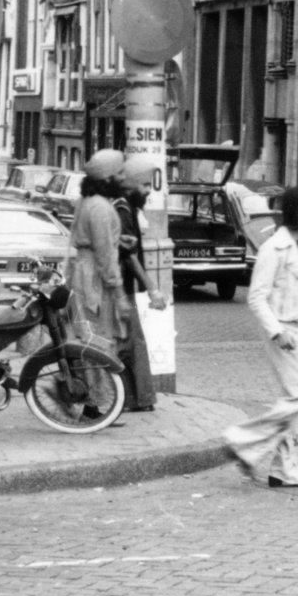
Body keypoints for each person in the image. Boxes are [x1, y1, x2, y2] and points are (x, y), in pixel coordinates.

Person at [224, 185, 298, 488]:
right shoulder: (272, 249)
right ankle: (242, 442)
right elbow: (256, 298)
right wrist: (276, 332)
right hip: (283, 331)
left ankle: (289, 470)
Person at [114, 156, 167, 412]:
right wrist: (152, 288)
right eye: (145, 185)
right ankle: (131, 399)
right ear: (132, 183)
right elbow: (129, 255)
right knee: (130, 343)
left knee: (130, 342)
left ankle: (133, 399)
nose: (147, 190)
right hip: (117, 289)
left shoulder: (126, 208)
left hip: (120, 287)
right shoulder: (121, 209)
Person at [68, 149, 126, 351]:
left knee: (89, 338)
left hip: (85, 273)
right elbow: (105, 255)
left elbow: (93, 239)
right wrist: (120, 295)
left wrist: (117, 239)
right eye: (119, 174)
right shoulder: (100, 207)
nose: (123, 178)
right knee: (98, 343)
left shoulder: (87, 201)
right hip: (95, 279)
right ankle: (99, 383)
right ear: (108, 178)